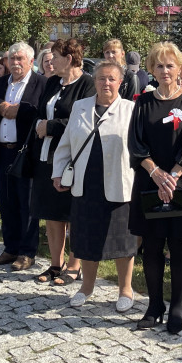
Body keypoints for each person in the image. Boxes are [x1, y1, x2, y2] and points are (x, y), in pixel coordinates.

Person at [128, 42, 182, 334]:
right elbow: (135, 144)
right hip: (150, 181)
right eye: (159, 66)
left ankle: (177, 306)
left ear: (180, 69)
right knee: (151, 245)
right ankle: (155, 305)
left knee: (179, 245)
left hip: (181, 182)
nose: (164, 71)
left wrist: (171, 176)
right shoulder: (143, 103)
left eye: (169, 65)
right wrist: (156, 173)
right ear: (151, 69)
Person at [53, 60, 138, 310]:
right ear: (95, 81)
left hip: (119, 183)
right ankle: (86, 287)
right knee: (86, 237)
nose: (106, 83)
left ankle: (125, 290)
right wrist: (58, 172)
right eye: (101, 78)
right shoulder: (81, 107)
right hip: (85, 183)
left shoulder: (131, 109)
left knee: (123, 240)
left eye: (111, 78)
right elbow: (66, 144)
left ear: (120, 82)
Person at [32, 39, 94, 285]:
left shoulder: (88, 85)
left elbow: (85, 121)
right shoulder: (51, 83)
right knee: (52, 213)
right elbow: (39, 113)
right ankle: (55, 265)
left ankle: (74, 264)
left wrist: (50, 126)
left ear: (69, 59)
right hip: (46, 156)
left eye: (55, 56)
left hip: (74, 158)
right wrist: (40, 124)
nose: (51, 61)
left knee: (73, 212)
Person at [0, 43, 47, 271]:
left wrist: (19, 110)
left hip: (26, 154)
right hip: (2, 151)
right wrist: (1, 106)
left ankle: (27, 252)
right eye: (12, 58)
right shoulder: (2, 82)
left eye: (20, 58)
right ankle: (10, 248)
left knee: (27, 205)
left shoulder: (41, 83)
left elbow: (41, 110)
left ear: (31, 61)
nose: (15, 62)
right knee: (8, 202)